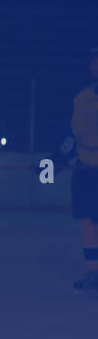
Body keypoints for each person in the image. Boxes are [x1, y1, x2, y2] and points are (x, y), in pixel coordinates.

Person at [70, 48, 98, 292]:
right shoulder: (82, 98)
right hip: (87, 170)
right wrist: (54, 160)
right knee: (89, 222)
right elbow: (73, 134)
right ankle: (93, 273)